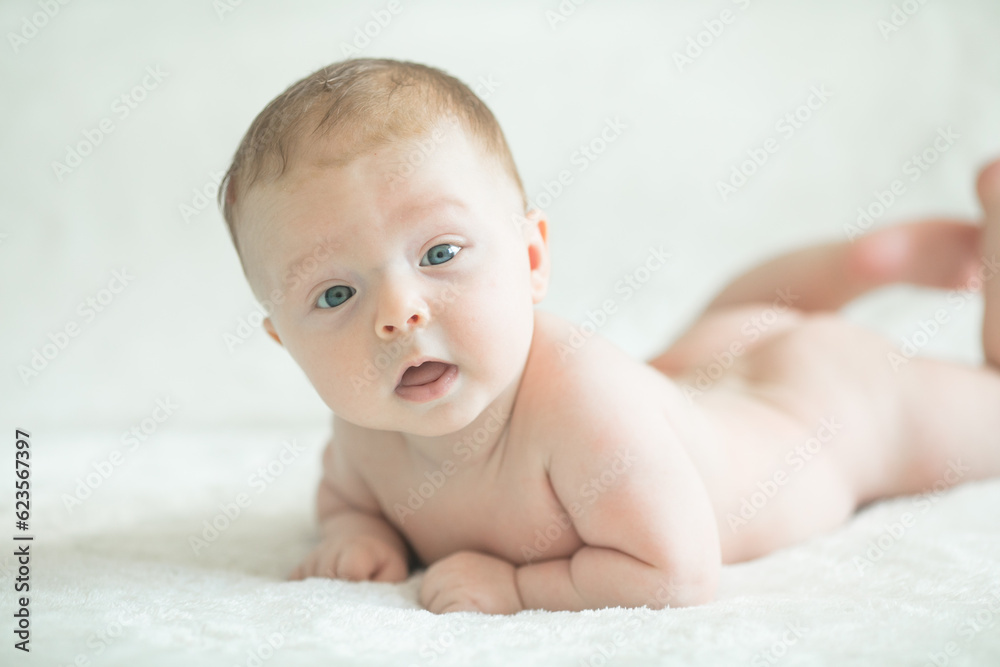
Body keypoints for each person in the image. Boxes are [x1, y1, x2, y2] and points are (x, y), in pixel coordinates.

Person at [216, 57, 1000, 614]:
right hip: (701, 366)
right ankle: (858, 264)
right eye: (336, 294)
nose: (398, 313)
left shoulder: (583, 403)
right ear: (285, 342)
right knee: (717, 341)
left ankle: (927, 254)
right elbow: (345, 496)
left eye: (441, 253)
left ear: (530, 258)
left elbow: (678, 569)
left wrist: (517, 590)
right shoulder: (364, 427)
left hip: (832, 407)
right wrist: (355, 534)